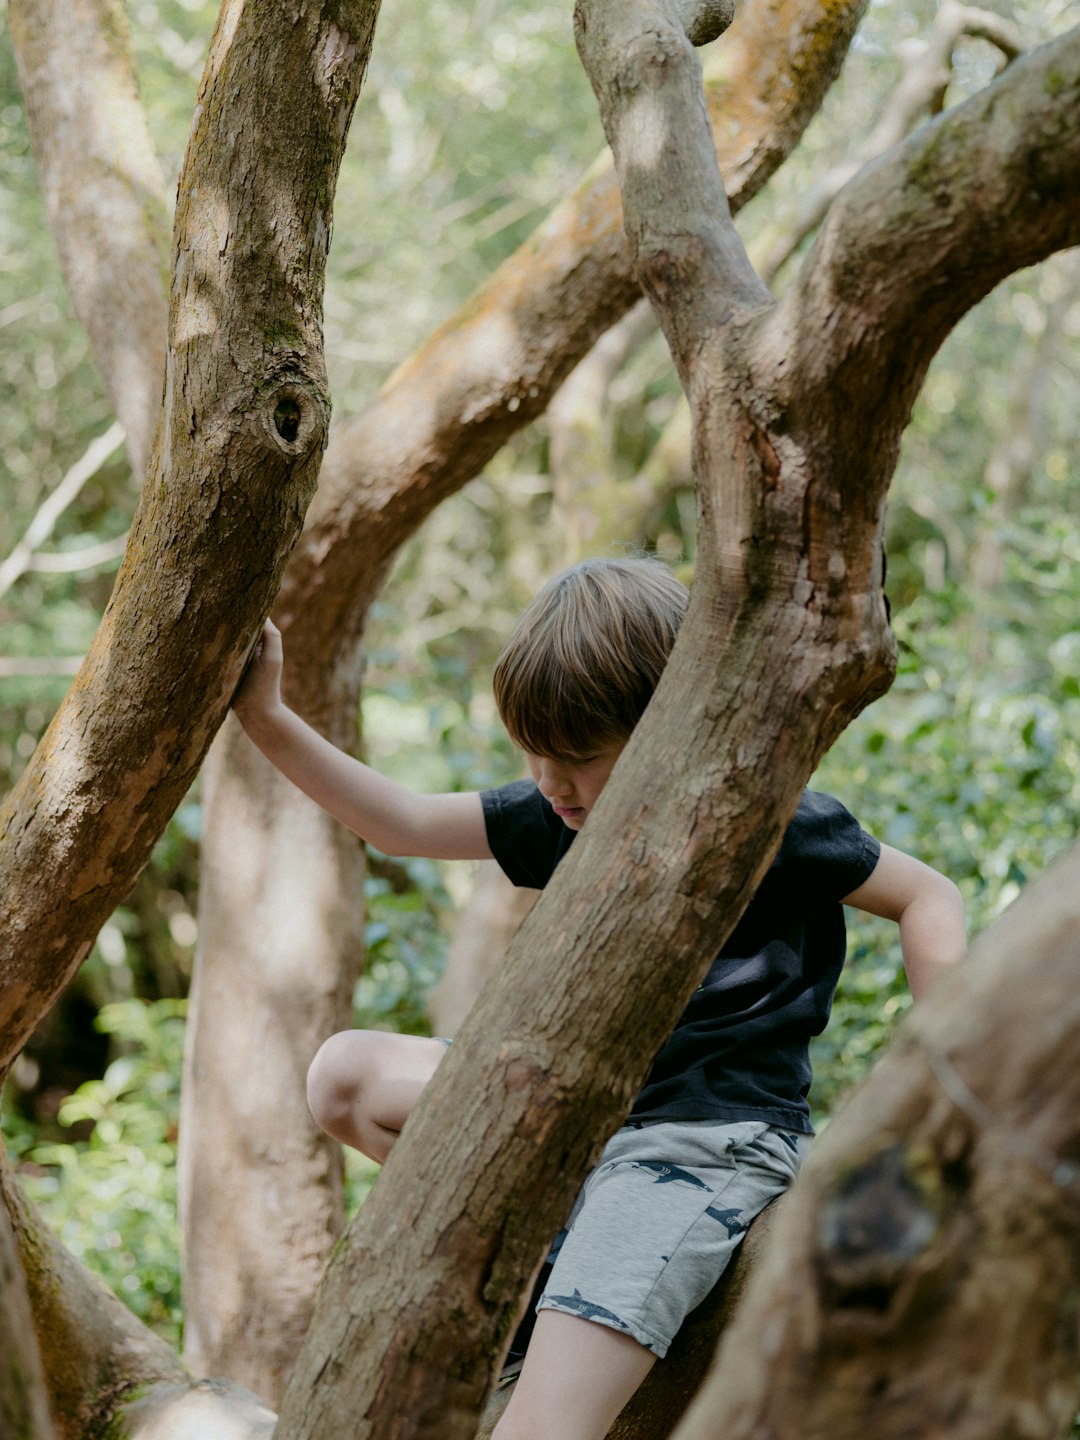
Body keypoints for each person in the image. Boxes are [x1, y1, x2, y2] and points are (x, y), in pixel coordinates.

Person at [232, 555, 966, 1440]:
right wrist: (264, 717)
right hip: (574, 1127)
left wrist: (940, 1099)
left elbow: (930, 895)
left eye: (577, 756)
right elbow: (402, 821)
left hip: (698, 1142)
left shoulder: (778, 818)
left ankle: (578, 1294)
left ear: (667, 727)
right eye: (534, 753)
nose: (549, 781)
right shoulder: (564, 812)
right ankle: (545, 1258)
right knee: (346, 1075)